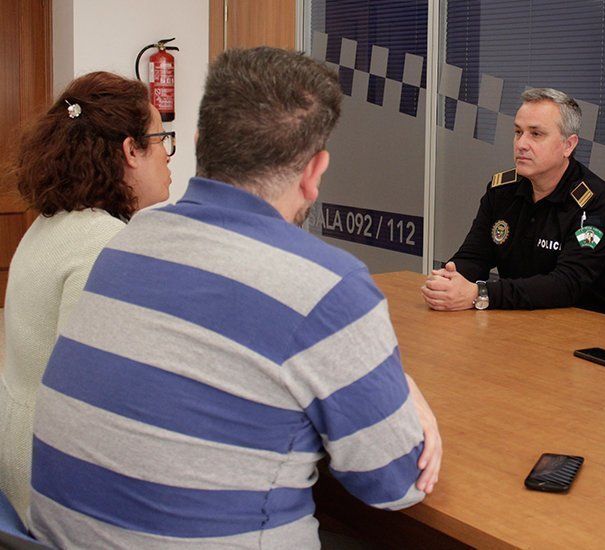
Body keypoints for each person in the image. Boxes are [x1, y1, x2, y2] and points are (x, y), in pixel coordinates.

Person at [29, 47, 441, 549]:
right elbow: (397, 484)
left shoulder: (127, 241)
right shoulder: (329, 285)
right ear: (315, 171)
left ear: (202, 144)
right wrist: (409, 395)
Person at [0, 71, 172, 521]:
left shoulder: (53, 223)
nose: (169, 158)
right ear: (129, 151)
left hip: (25, 462)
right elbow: (97, 403)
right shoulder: (103, 242)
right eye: (160, 140)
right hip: (62, 488)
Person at [421, 88, 605, 315]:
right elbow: (475, 256)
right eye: (518, 132)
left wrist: (481, 294)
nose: (521, 144)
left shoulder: (595, 202)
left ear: (569, 145)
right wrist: (450, 278)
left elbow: (566, 284)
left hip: (586, 330)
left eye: (536, 134)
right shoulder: (502, 190)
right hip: (518, 320)